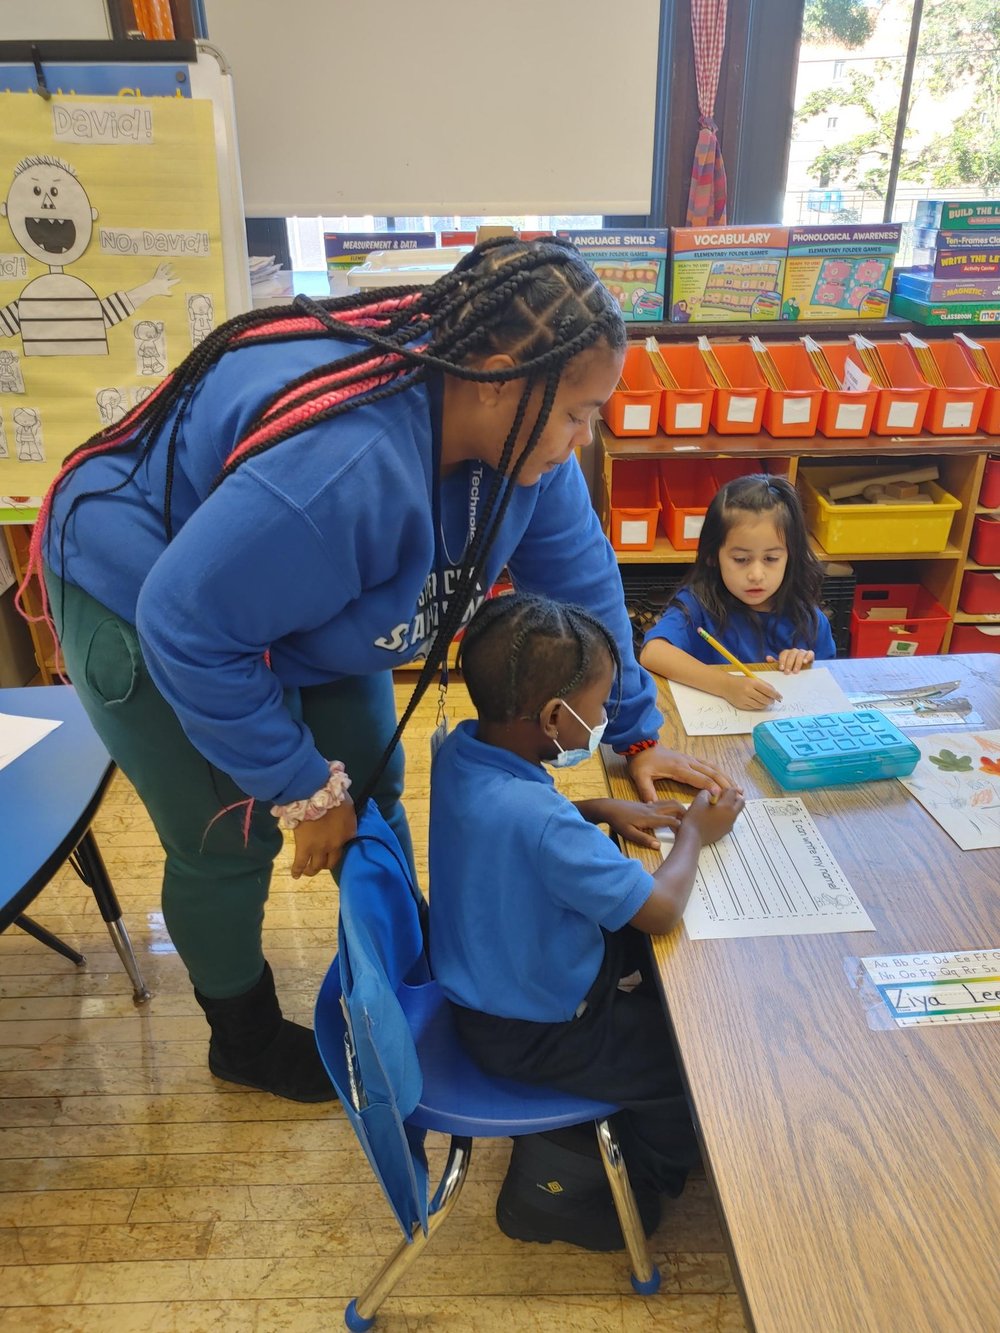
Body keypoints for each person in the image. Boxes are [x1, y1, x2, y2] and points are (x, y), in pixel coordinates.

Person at [21, 236, 733, 1104]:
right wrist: (304, 792)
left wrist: (632, 731)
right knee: (230, 832)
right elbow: (189, 625)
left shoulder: (526, 432)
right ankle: (240, 1037)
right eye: (580, 414)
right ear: (500, 377)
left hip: (276, 585)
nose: (586, 437)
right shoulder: (344, 469)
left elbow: (580, 580)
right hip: (144, 592)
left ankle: (404, 975)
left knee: (375, 775)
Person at [429, 592, 743, 1248]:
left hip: (496, 979)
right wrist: (696, 835)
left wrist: (596, 808)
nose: (604, 719)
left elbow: (504, 822)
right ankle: (639, 1182)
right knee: (694, 1060)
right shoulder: (538, 822)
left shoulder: (459, 751)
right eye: (600, 707)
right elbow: (660, 910)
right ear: (553, 716)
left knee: (667, 986)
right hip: (531, 1030)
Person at [639, 474, 835, 710]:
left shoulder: (809, 619)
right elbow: (653, 652)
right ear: (713, 556)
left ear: (790, 557)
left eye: (771, 558)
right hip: (714, 733)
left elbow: (828, 678)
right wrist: (726, 686)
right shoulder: (699, 605)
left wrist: (804, 665)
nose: (756, 574)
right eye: (741, 559)